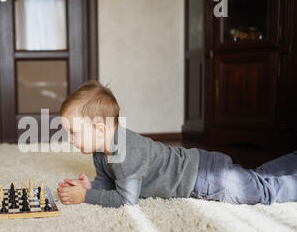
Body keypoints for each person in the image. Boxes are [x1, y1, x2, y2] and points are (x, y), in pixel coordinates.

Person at [57, 80, 297, 207]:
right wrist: (91, 188)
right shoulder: (100, 151)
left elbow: (126, 200)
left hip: (208, 179)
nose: (69, 139)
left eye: (74, 132)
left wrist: (84, 197)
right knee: (257, 177)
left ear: (100, 129)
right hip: (204, 170)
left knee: (264, 192)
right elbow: (109, 182)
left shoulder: (127, 151)